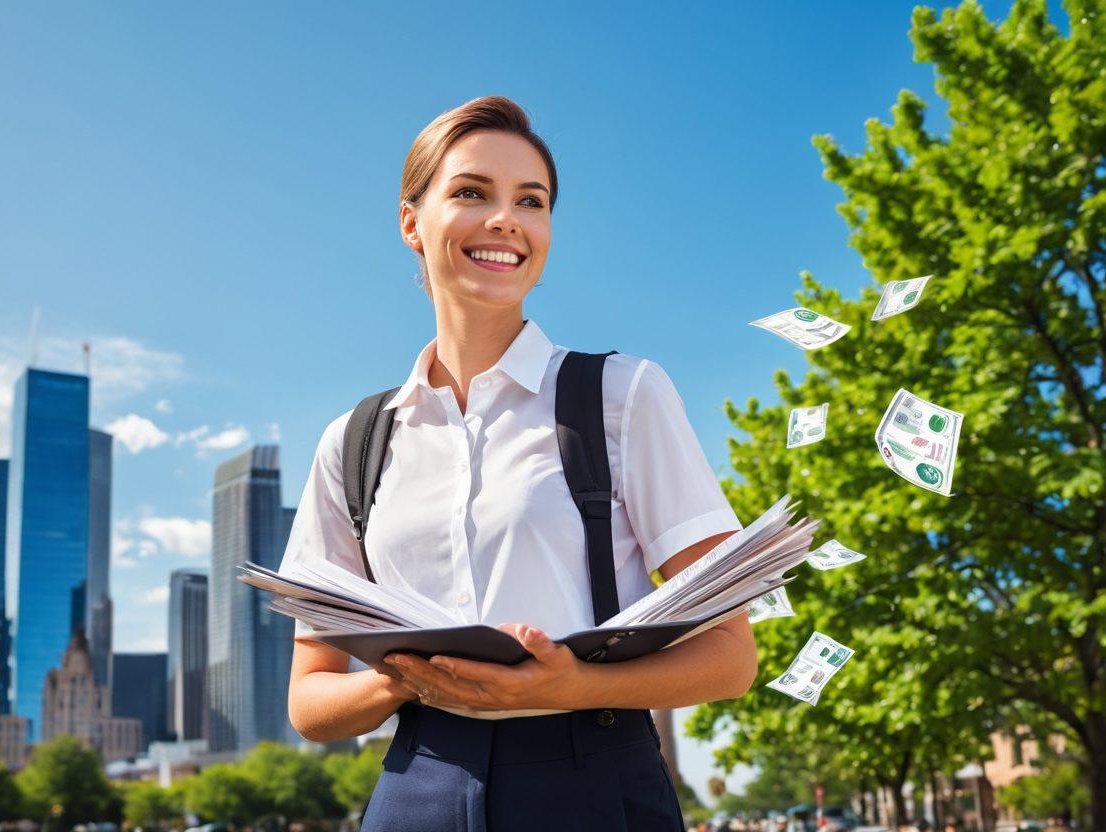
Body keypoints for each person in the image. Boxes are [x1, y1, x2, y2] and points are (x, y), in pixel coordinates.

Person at [281, 95, 758, 832]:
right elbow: (310, 704)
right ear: (411, 221)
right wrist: (404, 683)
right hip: (419, 785)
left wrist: (577, 686)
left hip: (591, 777)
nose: (506, 219)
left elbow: (731, 657)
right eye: (472, 192)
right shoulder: (353, 443)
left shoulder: (623, 396)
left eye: (530, 202)